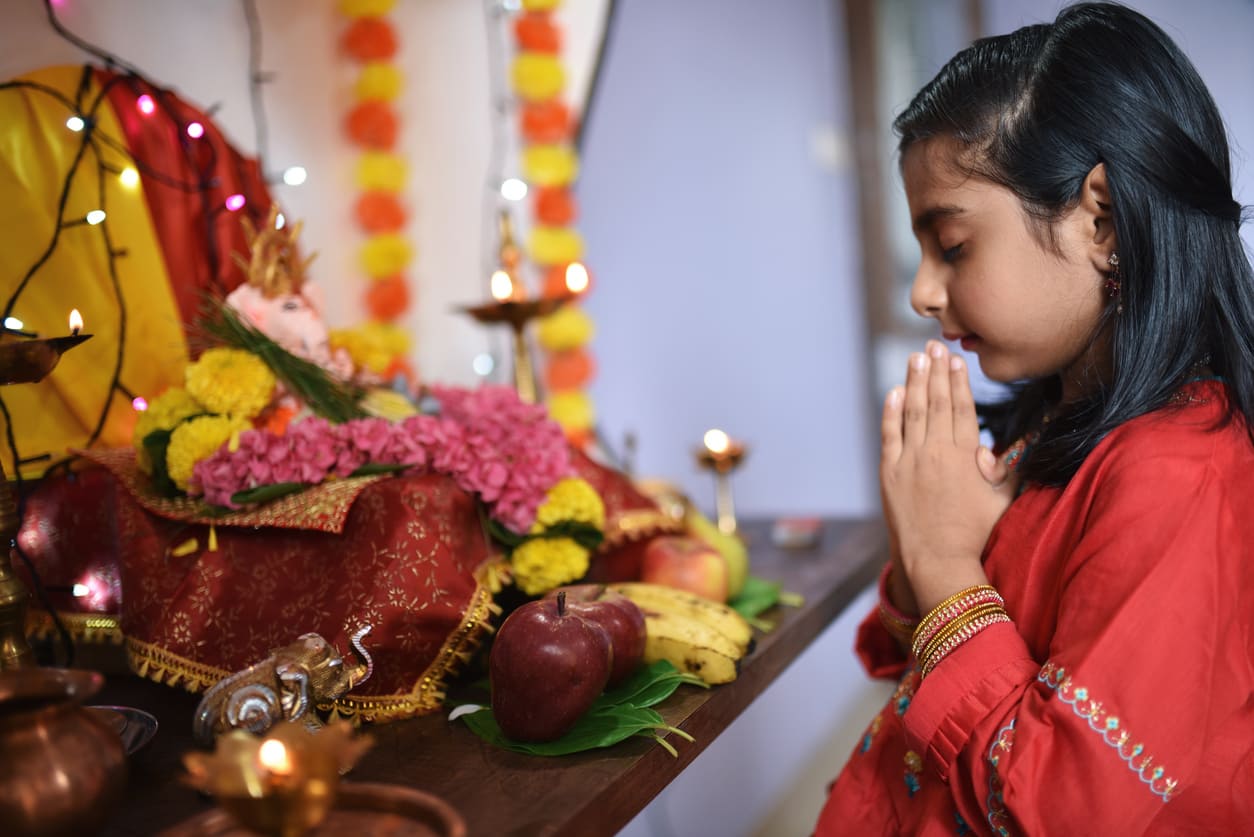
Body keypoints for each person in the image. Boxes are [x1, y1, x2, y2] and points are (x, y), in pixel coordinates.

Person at [815, 3, 1254, 834]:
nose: (921, 291)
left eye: (953, 245)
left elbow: (1057, 811)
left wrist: (945, 559)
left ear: (1103, 220)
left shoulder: (1181, 472)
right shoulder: (1060, 417)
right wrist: (929, 548)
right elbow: (904, 653)